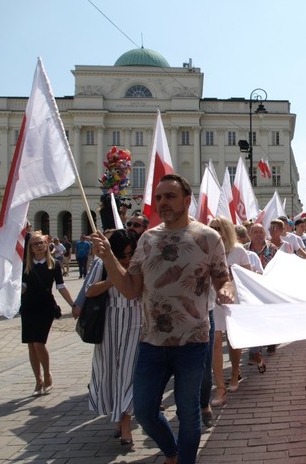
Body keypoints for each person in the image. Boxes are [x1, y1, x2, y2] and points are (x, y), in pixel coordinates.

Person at [90, 174, 234, 464]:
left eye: (169, 196)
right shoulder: (148, 239)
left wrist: (226, 291)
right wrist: (108, 259)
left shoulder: (208, 237)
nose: (162, 202)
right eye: (158, 197)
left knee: (188, 412)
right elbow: (130, 289)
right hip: (152, 343)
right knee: (144, 411)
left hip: (193, 342)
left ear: (186, 200)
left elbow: (222, 278)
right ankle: (172, 452)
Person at [83, 229, 141, 446]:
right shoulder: (103, 263)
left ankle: (126, 425)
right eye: (122, 255)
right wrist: (112, 280)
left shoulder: (139, 264)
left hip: (136, 323)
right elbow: (89, 290)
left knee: (129, 373)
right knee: (110, 372)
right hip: (109, 324)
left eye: (130, 254)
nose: (127, 259)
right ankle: (117, 417)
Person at [21, 232, 75, 396]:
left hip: (45, 307)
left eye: (41, 243)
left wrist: (73, 305)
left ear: (46, 245)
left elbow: (61, 286)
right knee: (31, 344)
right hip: (28, 307)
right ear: (30, 248)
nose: (38, 246)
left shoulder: (54, 264)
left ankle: (47, 375)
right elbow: (23, 288)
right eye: (34, 244)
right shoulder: (25, 265)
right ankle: (38, 380)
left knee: (39, 342)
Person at [208, 217, 252, 414]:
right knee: (215, 341)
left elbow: (248, 275)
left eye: (219, 228)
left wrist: (229, 278)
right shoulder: (205, 249)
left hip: (234, 300)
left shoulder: (238, 251)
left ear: (227, 230)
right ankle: (220, 387)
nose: (216, 231)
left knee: (234, 340)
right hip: (212, 300)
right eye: (212, 228)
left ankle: (234, 373)